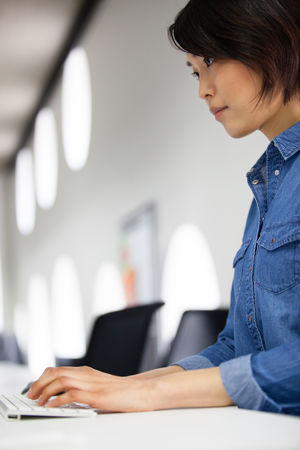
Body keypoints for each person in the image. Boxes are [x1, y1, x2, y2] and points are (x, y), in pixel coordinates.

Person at [27, 0, 300, 416]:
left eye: (210, 60)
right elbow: (237, 349)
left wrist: (148, 395)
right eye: (195, 71)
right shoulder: (270, 187)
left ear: (271, 38)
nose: (202, 89)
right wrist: (118, 386)